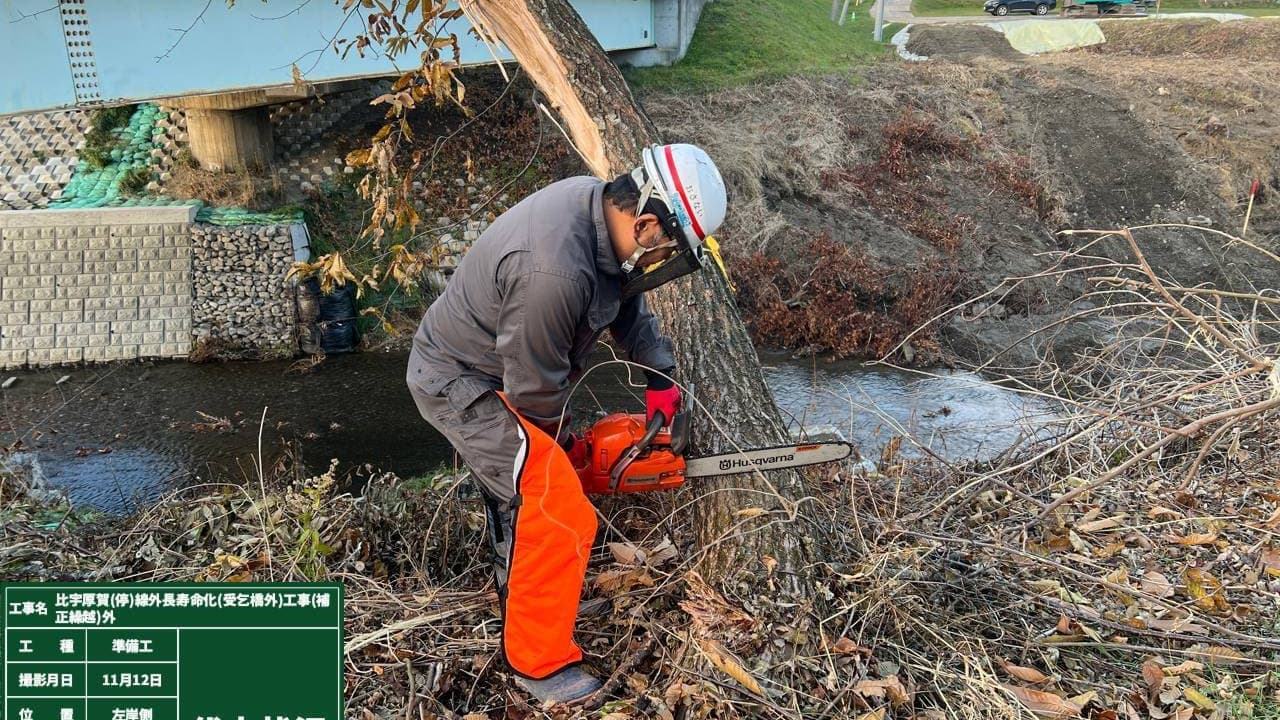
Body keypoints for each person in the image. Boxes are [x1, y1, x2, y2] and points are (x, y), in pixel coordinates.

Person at [406, 143, 727, 704]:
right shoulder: (551, 269)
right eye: (665, 247)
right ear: (647, 221)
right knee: (556, 510)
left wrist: (662, 382)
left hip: (500, 368)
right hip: (461, 383)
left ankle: (524, 593)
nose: (661, 258)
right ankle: (537, 663)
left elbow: (626, 301)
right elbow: (533, 392)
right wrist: (568, 461)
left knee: (538, 486)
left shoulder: (599, 217)